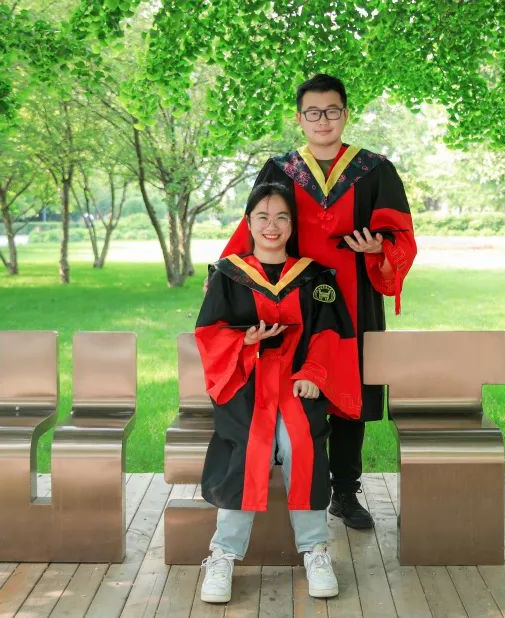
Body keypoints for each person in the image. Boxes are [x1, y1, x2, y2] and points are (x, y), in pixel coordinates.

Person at [219, 74, 416, 530]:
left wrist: (379, 249)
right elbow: (254, 227)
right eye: (313, 112)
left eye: (331, 111)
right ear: (299, 118)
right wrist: (227, 277)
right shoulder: (279, 170)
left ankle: (344, 492)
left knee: (349, 394)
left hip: (354, 298)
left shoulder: (375, 169)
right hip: (291, 301)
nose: (322, 120)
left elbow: (400, 236)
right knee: (296, 389)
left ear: (345, 114)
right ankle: (298, 489)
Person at [196, 182, 361, 603]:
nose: (272, 226)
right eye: (263, 217)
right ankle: (222, 554)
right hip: (246, 386)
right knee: (250, 445)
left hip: (297, 386)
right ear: (249, 223)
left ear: (293, 224)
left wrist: (314, 372)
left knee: (299, 443)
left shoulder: (316, 278)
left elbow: (331, 333)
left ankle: (316, 550)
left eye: (282, 217)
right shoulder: (227, 275)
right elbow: (210, 334)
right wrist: (245, 341)